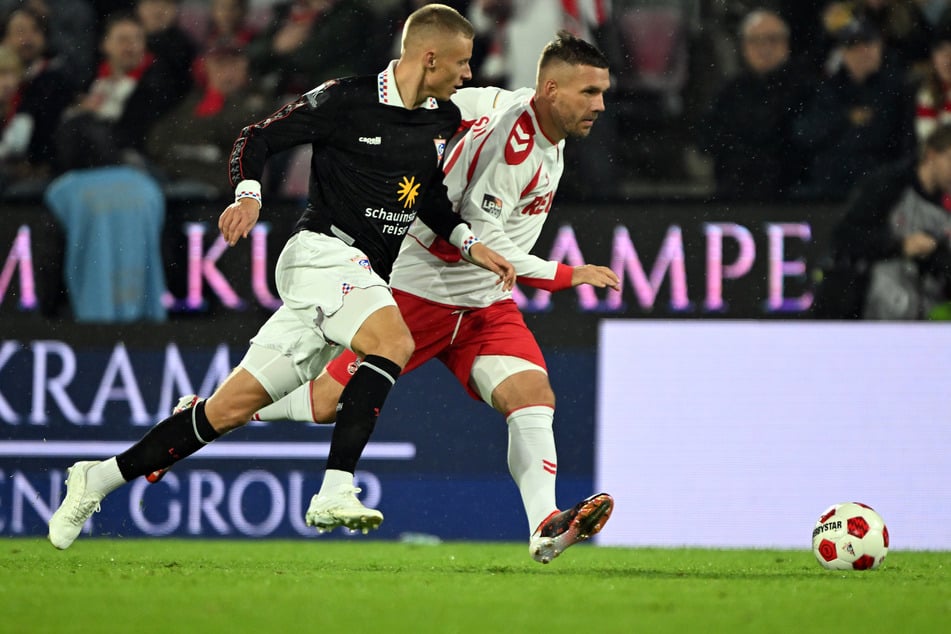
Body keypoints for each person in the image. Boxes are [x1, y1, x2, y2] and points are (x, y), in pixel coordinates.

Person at [47, 3, 516, 550]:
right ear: (429, 57)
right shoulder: (346, 98)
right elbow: (256, 136)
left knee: (226, 410)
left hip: (359, 277)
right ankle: (335, 489)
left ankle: (96, 477)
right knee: (393, 342)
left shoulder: (441, 121)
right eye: (461, 64)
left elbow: (427, 195)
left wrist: (469, 243)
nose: (467, 75)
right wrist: (249, 193)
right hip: (319, 254)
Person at [248, 30, 618, 564]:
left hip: (484, 304)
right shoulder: (514, 147)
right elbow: (483, 238)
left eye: (603, 93)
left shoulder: (531, 121)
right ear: (551, 89)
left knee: (532, 395)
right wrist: (567, 273)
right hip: (420, 291)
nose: (600, 106)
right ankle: (221, 412)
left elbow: (461, 104)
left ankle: (544, 525)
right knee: (326, 402)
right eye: (589, 93)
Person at [821, 123, 951, 319]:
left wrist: (937, 255)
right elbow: (845, 238)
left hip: (924, 321)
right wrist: (901, 246)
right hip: (867, 315)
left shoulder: (944, 206)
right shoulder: (888, 186)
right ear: (931, 154)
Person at [792, 17, 915, 201]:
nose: (861, 52)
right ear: (842, 52)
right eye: (853, 46)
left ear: (880, 46)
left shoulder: (898, 89)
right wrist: (846, 117)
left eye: (867, 44)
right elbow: (804, 132)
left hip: (879, 188)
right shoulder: (826, 88)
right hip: (828, 187)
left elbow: (897, 140)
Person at [697, 9, 815, 201]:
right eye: (755, 40)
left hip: (790, 194)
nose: (764, 48)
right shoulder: (730, 91)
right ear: (744, 46)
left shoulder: (806, 88)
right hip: (734, 193)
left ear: (787, 44)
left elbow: (805, 138)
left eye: (772, 39)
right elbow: (707, 138)